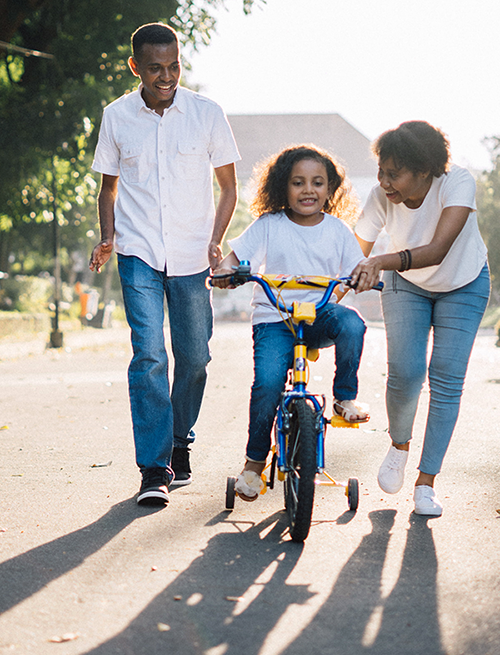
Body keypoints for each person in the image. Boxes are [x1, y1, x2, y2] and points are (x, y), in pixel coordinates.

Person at [89, 22, 240, 506]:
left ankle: (180, 441)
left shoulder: (207, 113)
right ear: (135, 67)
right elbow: (108, 187)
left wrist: (216, 241)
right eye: (155, 68)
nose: (167, 76)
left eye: (174, 66)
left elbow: (229, 187)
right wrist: (108, 237)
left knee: (195, 358)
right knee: (150, 355)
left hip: (194, 255)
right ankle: (154, 468)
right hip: (138, 253)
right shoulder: (116, 116)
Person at [213, 145, 369, 501]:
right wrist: (226, 271)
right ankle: (253, 465)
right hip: (274, 319)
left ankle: (345, 398)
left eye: (318, 183)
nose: (308, 190)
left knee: (353, 325)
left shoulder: (338, 231)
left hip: (318, 315)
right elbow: (235, 258)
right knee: (268, 384)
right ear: (284, 187)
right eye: (298, 183)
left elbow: (356, 269)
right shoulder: (269, 225)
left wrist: (361, 278)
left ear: (330, 190)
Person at [351, 121, 490, 516]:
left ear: (425, 171)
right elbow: (352, 253)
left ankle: (426, 483)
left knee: (446, 378)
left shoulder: (456, 183)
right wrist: (330, 290)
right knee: (406, 372)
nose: (384, 181)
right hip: (406, 285)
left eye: (394, 173)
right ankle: (398, 445)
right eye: (381, 171)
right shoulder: (381, 196)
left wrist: (378, 261)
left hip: (463, 282)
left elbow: (439, 249)